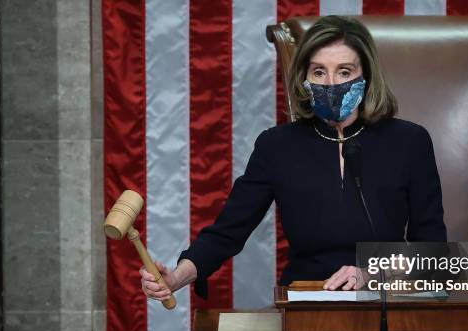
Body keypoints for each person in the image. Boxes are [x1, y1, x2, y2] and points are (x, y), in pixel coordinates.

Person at [141, 15, 446, 302]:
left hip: (385, 302)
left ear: (365, 76)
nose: (330, 83)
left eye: (344, 71)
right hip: (304, 301)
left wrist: (374, 275)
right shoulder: (277, 146)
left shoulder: (409, 142)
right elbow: (227, 232)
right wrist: (179, 276)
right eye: (318, 71)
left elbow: (434, 253)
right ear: (304, 79)